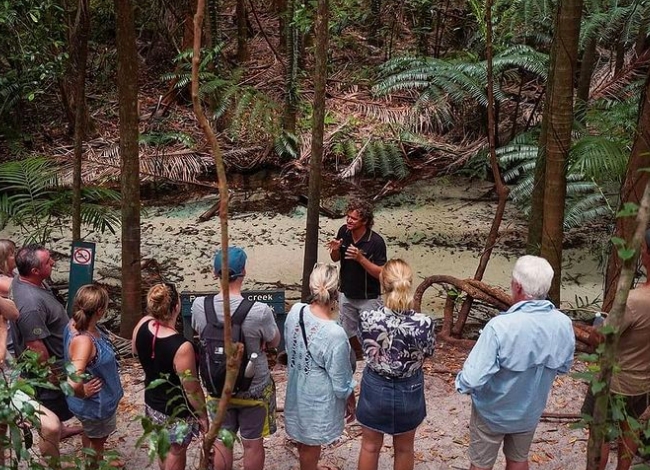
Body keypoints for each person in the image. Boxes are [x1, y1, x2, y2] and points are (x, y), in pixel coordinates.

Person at [456, 255, 575, 470]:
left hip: (492, 412)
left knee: (481, 464)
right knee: (518, 459)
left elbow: (471, 379)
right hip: (529, 411)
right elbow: (564, 366)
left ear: (517, 287)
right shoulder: (563, 323)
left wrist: (461, 383)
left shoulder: (499, 327)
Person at [191, 247, 281, 470]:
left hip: (217, 387)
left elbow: (198, 331)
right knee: (252, 444)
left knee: (223, 439)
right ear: (244, 272)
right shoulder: (259, 311)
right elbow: (275, 342)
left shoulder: (200, 306)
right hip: (254, 388)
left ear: (214, 273)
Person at [356, 259, 435, 470]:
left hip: (375, 387)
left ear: (383, 284)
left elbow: (362, 346)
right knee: (404, 449)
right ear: (409, 283)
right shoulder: (423, 323)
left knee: (370, 447)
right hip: (409, 389)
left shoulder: (367, 318)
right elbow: (428, 352)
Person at [581, 230, 650, 470]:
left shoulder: (634, 301)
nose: (640, 253)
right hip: (642, 383)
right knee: (630, 426)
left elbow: (602, 338)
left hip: (615, 381)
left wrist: (593, 331)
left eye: (643, 249)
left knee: (599, 430)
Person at [10, 244, 82, 463]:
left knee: (56, 412)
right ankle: (51, 460)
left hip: (57, 360)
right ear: (34, 271)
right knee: (48, 416)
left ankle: (61, 429)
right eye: (48, 262)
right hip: (47, 370)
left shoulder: (21, 279)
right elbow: (35, 346)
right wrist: (52, 375)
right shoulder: (31, 305)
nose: (53, 263)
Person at [284, 263, 356, 470]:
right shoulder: (335, 334)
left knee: (304, 440)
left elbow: (290, 348)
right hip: (316, 397)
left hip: (297, 388)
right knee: (311, 445)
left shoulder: (295, 312)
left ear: (311, 286)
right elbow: (341, 380)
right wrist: (350, 399)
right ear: (337, 292)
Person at [133, 283, 208, 470]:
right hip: (176, 410)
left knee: (162, 445)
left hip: (152, 402)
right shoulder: (182, 347)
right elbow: (191, 389)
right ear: (176, 307)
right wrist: (203, 414)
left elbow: (135, 350)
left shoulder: (142, 325)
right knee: (176, 450)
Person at [64, 285, 124, 468]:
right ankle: (95, 465)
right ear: (100, 311)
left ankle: (94, 458)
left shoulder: (73, 323)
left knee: (90, 435)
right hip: (96, 406)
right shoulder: (84, 341)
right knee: (97, 442)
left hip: (91, 406)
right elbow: (73, 382)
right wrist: (82, 391)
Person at [328, 199, 387, 359]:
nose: (348, 221)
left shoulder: (376, 242)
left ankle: (375, 363)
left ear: (365, 221)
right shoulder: (343, 232)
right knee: (347, 335)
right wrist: (334, 250)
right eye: (348, 217)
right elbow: (335, 258)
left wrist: (361, 258)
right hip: (346, 294)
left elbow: (381, 273)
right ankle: (357, 360)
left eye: (353, 218)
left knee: (373, 336)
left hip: (369, 298)